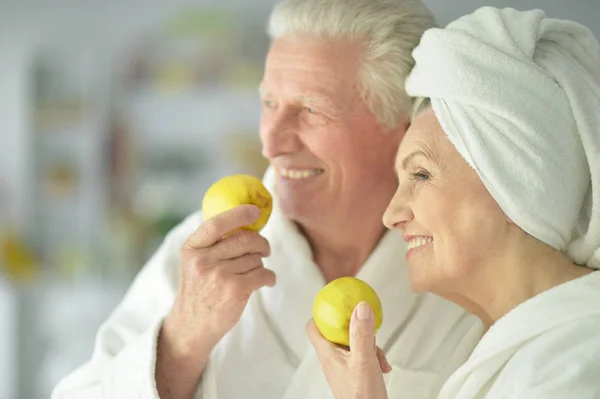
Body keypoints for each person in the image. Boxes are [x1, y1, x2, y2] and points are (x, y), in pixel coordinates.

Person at [51, 1, 484, 398]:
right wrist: (182, 341)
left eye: (312, 110)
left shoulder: (469, 275)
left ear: (405, 126)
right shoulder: (202, 255)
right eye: (269, 103)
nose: (272, 142)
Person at [308, 6, 600, 399]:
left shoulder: (578, 363)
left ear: (513, 181)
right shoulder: (502, 349)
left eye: (421, 175)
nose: (392, 214)